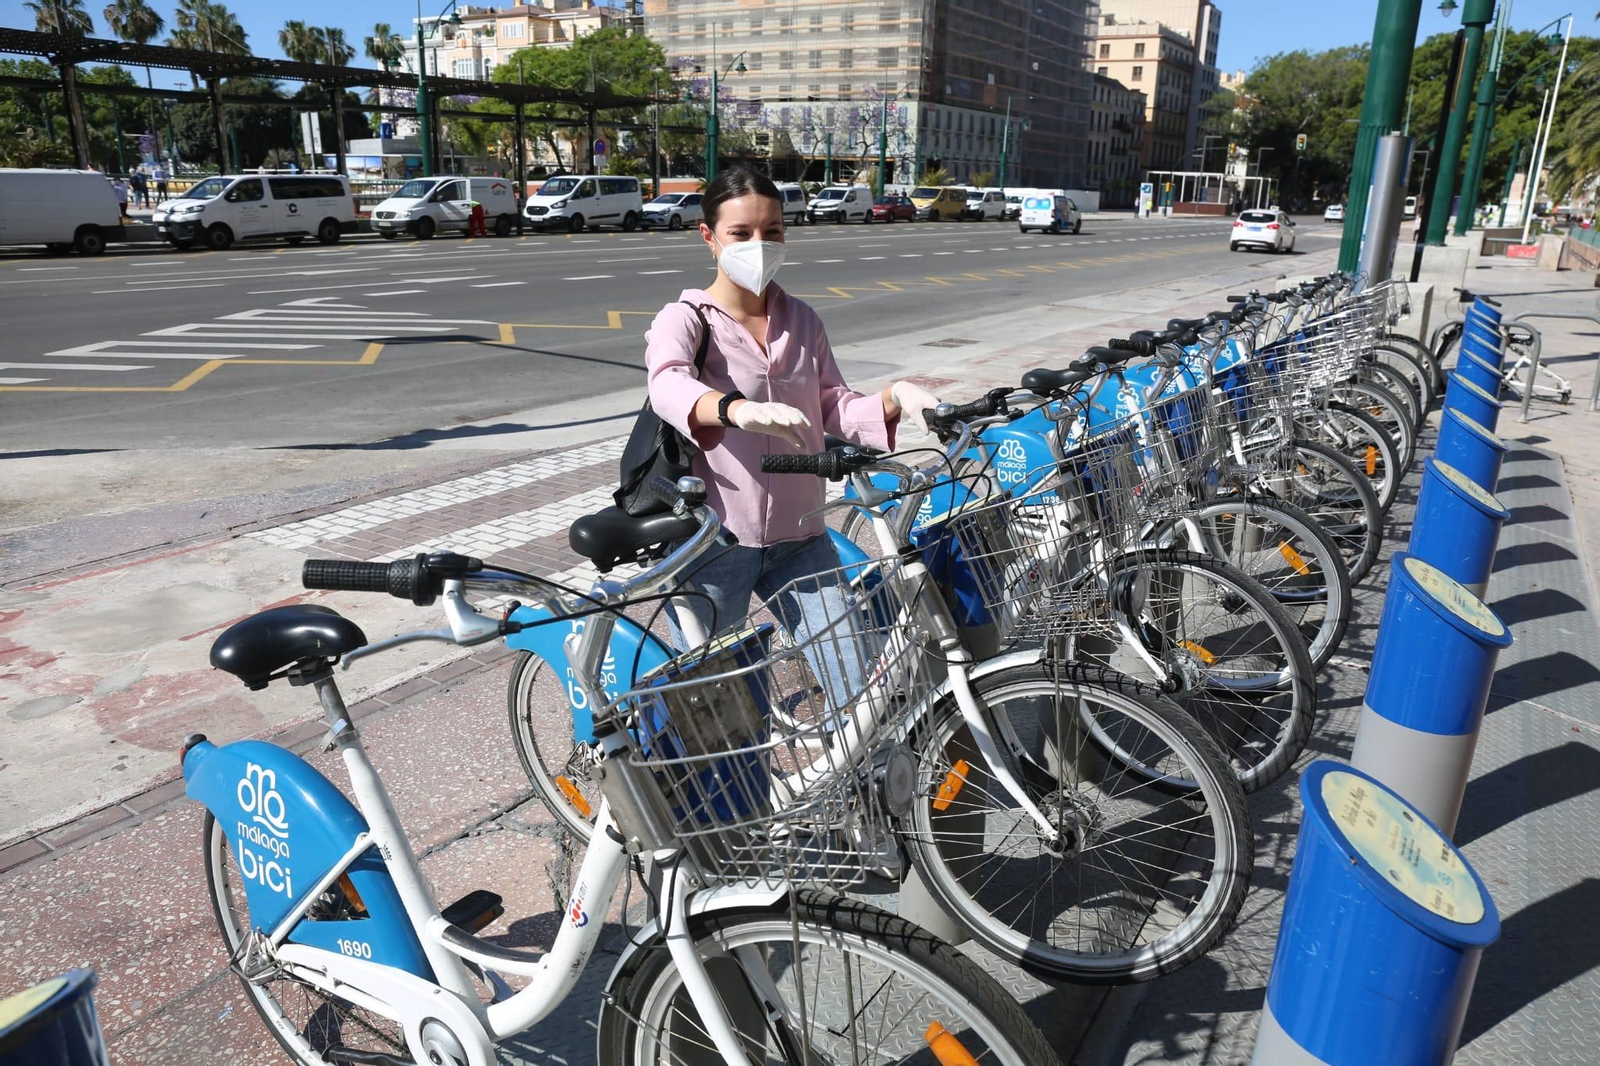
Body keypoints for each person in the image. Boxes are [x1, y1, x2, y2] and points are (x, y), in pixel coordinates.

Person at [645, 165, 940, 709]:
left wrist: (895, 398)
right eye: (741, 233)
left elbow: (830, 403)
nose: (759, 244)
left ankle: (866, 787)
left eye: (772, 231)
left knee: (863, 683)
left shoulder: (801, 319)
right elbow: (667, 384)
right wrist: (735, 411)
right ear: (709, 237)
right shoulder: (685, 318)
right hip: (717, 541)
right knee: (726, 706)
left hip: (802, 533)